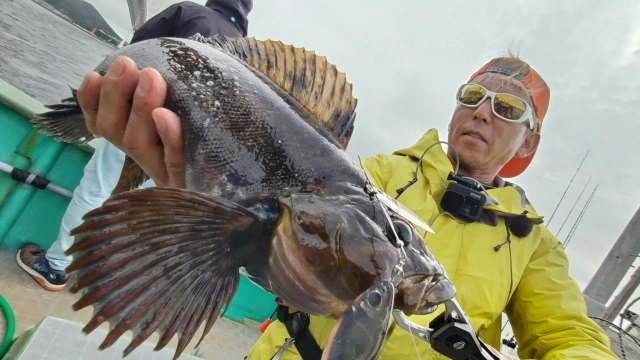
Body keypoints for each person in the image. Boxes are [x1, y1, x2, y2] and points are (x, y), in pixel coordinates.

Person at [59, 49, 618, 359]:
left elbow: (567, 334)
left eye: (508, 110)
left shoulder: (534, 245)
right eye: (473, 97)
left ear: (529, 145)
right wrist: (194, 197)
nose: (483, 112)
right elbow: (279, 253)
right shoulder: (374, 172)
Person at [16, 0, 253, 291]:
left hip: (137, 118)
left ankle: (55, 267)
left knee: (96, 188)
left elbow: (137, 49)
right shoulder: (245, 49)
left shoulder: (190, 12)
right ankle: (105, 276)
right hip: (178, 146)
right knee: (137, 207)